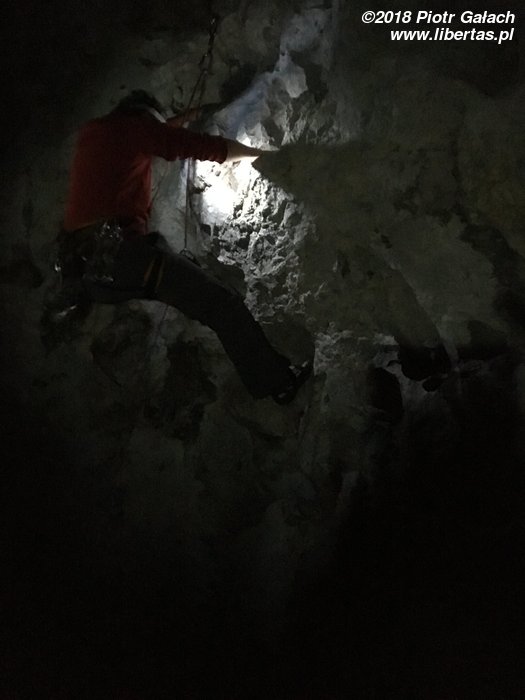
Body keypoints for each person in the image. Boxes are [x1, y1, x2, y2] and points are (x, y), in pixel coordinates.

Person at [50, 90, 312, 404]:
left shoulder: (97, 132)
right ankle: (277, 383)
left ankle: (272, 379)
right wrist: (256, 154)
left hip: (86, 268)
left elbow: (152, 132)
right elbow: (190, 144)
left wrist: (185, 117)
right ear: (143, 116)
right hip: (118, 256)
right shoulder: (134, 129)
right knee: (220, 304)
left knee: (183, 274)